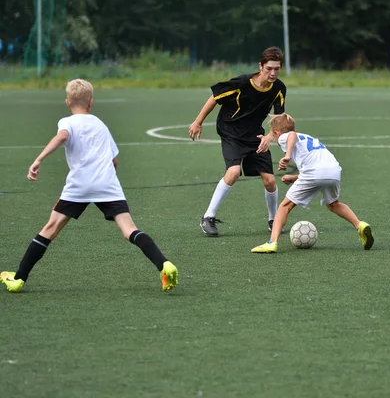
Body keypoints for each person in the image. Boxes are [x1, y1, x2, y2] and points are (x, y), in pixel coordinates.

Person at [0, 79, 178, 293]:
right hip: (107, 184)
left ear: (67, 102)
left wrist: (39, 159)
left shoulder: (67, 122)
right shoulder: (100, 124)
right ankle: (164, 264)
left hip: (80, 185)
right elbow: (114, 161)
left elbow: (63, 136)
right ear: (91, 102)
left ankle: (19, 279)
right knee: (130, 230)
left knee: (51, 228)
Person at [188, 46, 287, 237]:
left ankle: (273, 220)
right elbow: (215, 98)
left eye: (277, 69)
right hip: (231, 131)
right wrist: (198, 122)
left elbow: (279, 118)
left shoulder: (279, 88)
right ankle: (208, 217)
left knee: (269, 180)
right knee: (233, 172)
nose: (273, 73)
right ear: (260, 66)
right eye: (269, 68)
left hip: (255, 135)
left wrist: (269, 137)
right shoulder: (242, 83)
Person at [251, 113, 374, 253]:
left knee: (285, 206)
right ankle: (360, 225)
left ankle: (272, 242)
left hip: (314, 173)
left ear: (276, 133)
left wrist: (287, 155)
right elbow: (317, 168)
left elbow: (291, 135)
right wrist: (294, 177)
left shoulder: (286, 136)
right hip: (333, 171)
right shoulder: (309, 138)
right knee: (334, 204)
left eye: (274, 136)